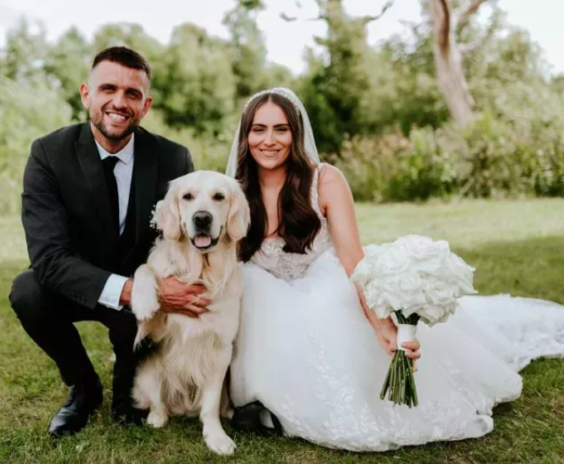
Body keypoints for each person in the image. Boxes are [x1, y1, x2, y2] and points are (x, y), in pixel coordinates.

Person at [226, 88, 564, 451]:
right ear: (246, 135)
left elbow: (353, 261)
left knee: (323, 310)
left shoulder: (325, 180)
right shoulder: (231, 190)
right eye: (258, 129)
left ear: (296, 133)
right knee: (251, 291)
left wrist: (383, 327)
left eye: (281, 129)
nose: (269, 140)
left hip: (324, 285)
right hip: (264, 297)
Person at [8, 46, 210, 438]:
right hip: (80, 285)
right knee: (27, 290)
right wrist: (131, 290)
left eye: (132, 94)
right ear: (87, 94)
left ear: (145, 105)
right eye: (108, 89)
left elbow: (186, 244)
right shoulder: (49, 154)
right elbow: (48, 257)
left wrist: (168, 287)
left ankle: (128, 382)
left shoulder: (173, 159)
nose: (119, 102)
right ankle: (83, 386)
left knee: (129, 409)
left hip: (147, 300)